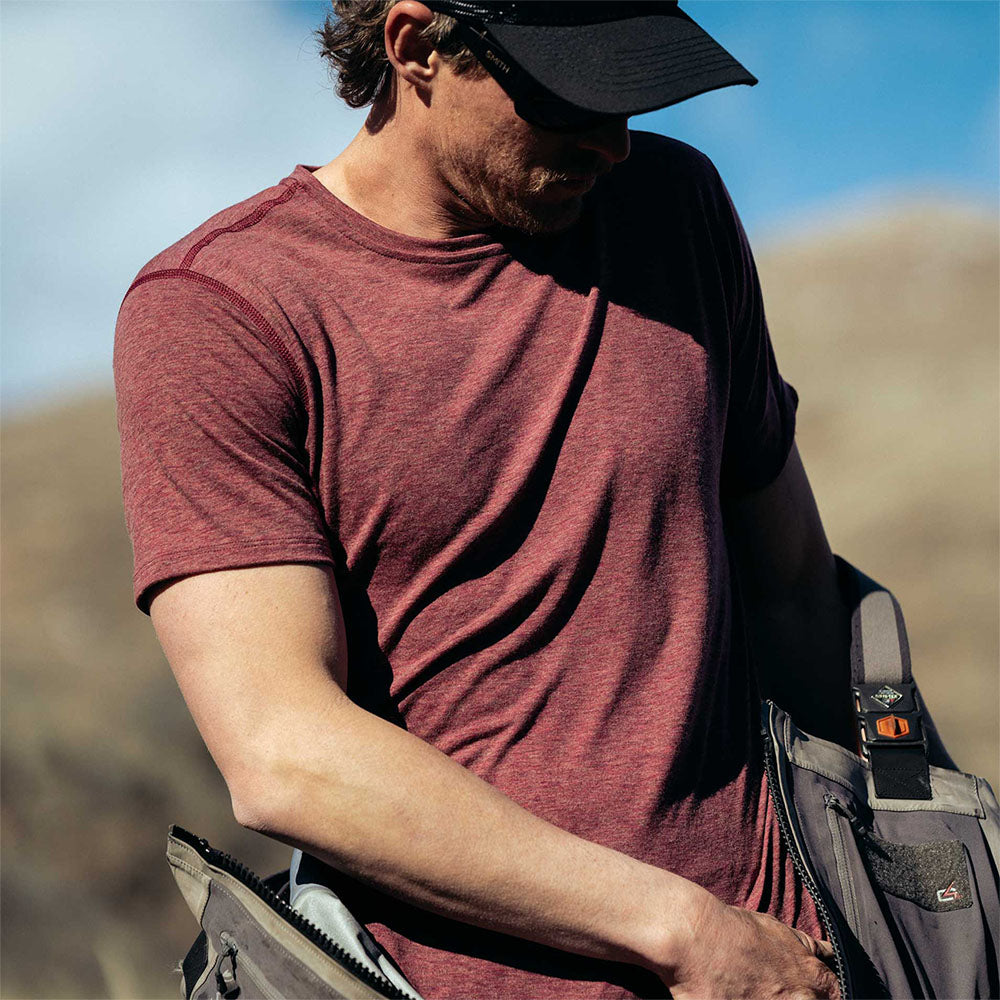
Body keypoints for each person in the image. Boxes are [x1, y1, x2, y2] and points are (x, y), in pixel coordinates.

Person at [113, 2, 857, 997]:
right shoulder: (221, 312)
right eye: (568, 98)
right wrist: (684, 930)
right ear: (415, 46)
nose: (612, 141)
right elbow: (283, 749)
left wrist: (911, 867)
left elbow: (797, 585)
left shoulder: (675, 211)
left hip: (788, 961)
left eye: (630, 92)